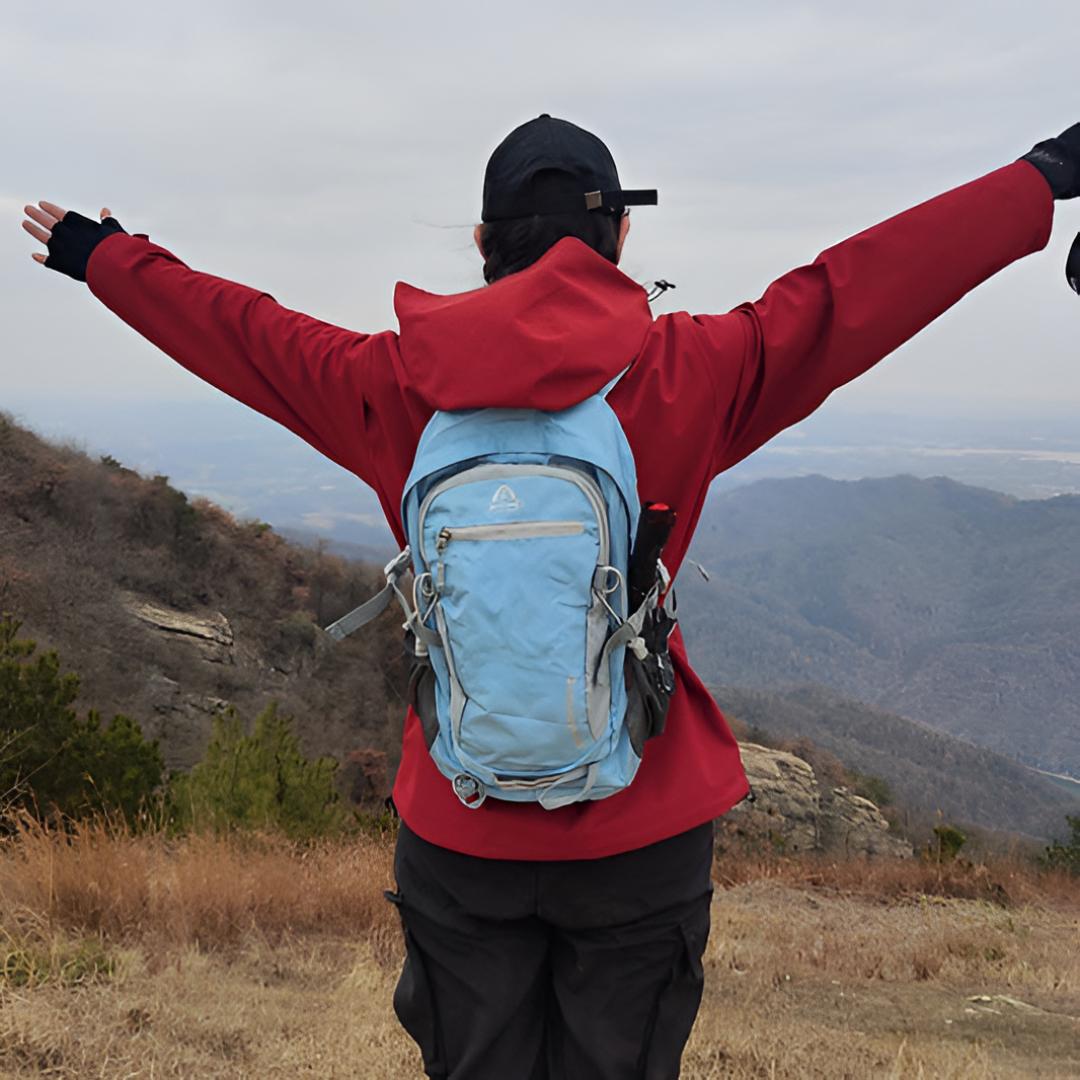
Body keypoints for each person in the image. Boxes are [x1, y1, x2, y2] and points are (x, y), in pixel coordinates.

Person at [23, 114, 1080, 1079]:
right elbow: (857, 288)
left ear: (484, 245)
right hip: (642, 831)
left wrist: (106, 258)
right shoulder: (695, 368)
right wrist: (1037, 178)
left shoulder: (390, 383)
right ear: (620, 240)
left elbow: (243, 332)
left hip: (461, 823)